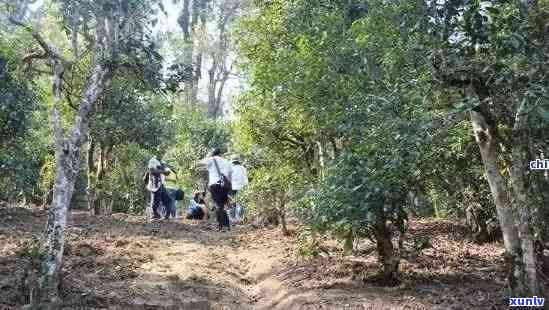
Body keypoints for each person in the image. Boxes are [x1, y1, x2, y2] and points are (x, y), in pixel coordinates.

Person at [202, 148, 232, 231]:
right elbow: (229, 174)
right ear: (220, 154)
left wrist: (208, 155)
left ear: (212, 153)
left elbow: (201, 162)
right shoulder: (226, 161)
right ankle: (225, 225)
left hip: (215, 185)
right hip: (225, 185)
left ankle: (223, 226)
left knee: (218, 205)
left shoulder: (211, 159)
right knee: (222, 205)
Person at [228, 155, 248, 223]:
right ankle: (239, 218)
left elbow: (228, 179)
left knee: (232, 203)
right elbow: (245, 179)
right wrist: (246, 188)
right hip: (241, 188)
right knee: (240, 203)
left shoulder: (230, 168)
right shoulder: (243, 168)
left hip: (232, 188)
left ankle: (233, 219)